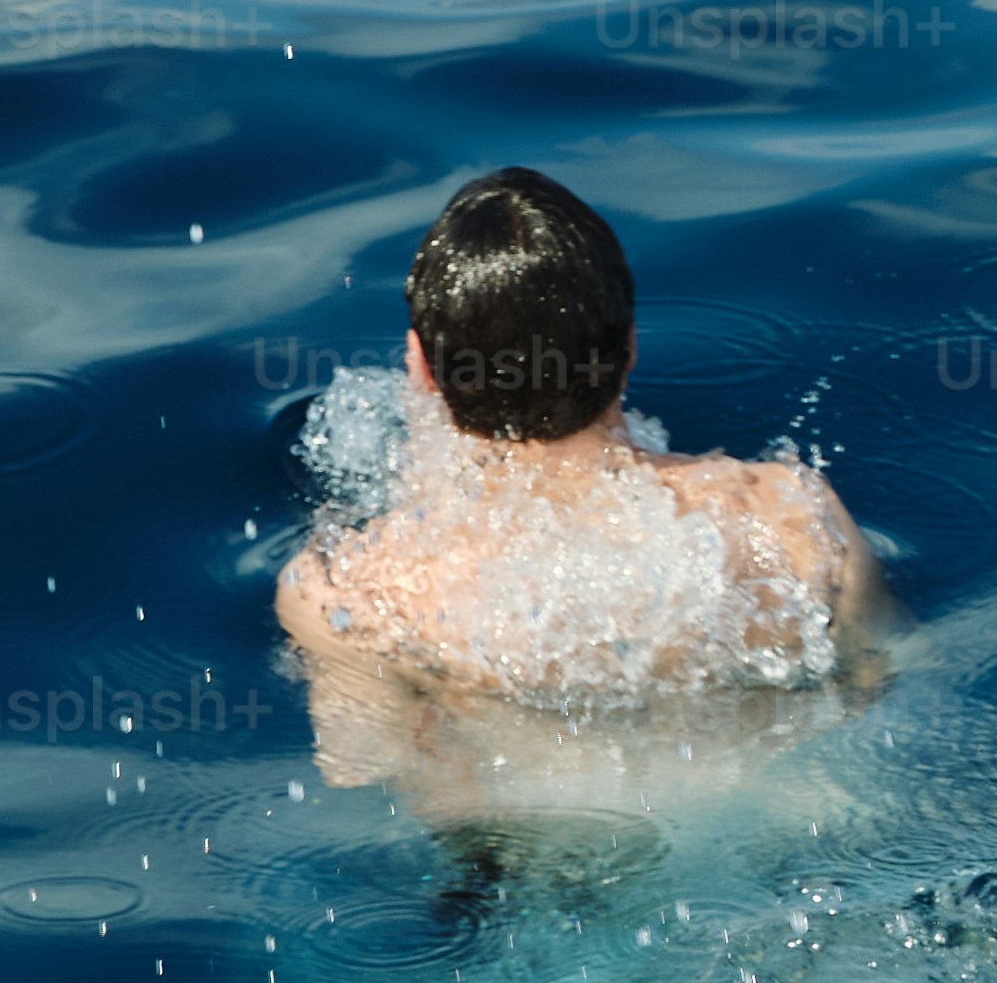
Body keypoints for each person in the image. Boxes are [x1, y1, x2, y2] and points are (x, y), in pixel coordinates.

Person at [275, 167, 885, 717]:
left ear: (423, 370)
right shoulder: (796, 515)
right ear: (630, 347)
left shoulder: (345, 594)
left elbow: (361, 770)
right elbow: (877, 685)